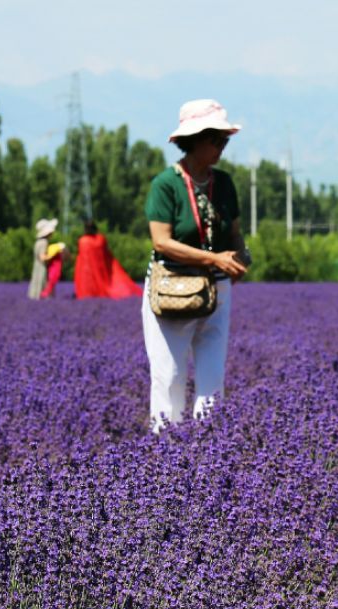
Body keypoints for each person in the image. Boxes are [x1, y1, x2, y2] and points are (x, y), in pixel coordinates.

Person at [142, 98, 249, 432]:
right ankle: (164, 456)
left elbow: (234, 233)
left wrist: (241, 256)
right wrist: (213, 258)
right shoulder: (166, 184)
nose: (222, 146)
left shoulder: (225, 183)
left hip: (217, 289)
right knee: (170, 376)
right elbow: (161, 241)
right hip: (172, 288)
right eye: (216, 139)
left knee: (212, 378)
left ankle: (208, 452)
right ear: (194, 139)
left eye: (225, 140)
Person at [74, 220, 144, 300]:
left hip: (86, 271)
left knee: (88, 290)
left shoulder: (83, 241)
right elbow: (106, 254)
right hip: (101, 269)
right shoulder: (100, 239)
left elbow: (82, 259)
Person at [30, 218, 58, 299]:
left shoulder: (38, 242)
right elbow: (43, 258)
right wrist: (55, 252)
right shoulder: (44, 242)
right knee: (43, 292)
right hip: (42, 269)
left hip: (37, 268)